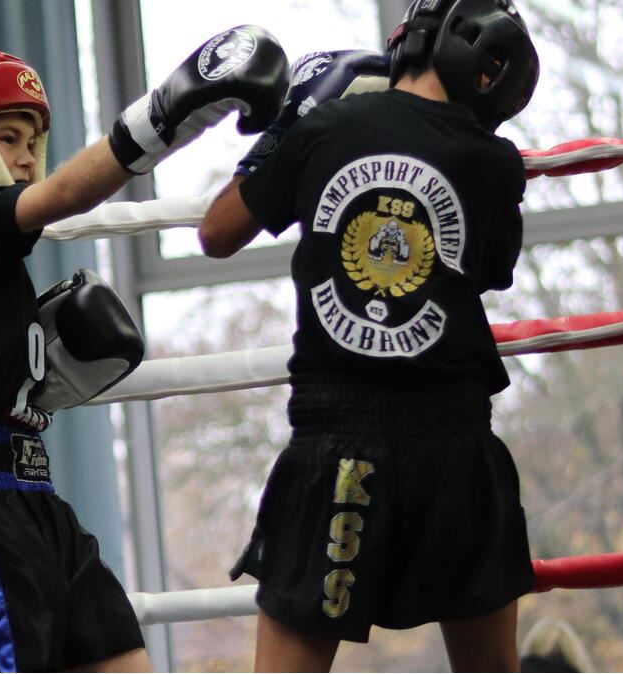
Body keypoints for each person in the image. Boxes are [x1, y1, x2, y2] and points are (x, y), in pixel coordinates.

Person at [0, 32, 288, 672]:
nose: (23, 158)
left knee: (122, 658)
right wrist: (174, 113)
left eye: (30, 141)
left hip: (27, 492)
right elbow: (66, 194)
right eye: (6, 137)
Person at [197, 0, 540, 671]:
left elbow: (215, 233)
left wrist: (286, 128)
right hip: (455, 448)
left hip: (336, 447)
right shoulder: (495, 161)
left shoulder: (324, 126)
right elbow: (495, 270)